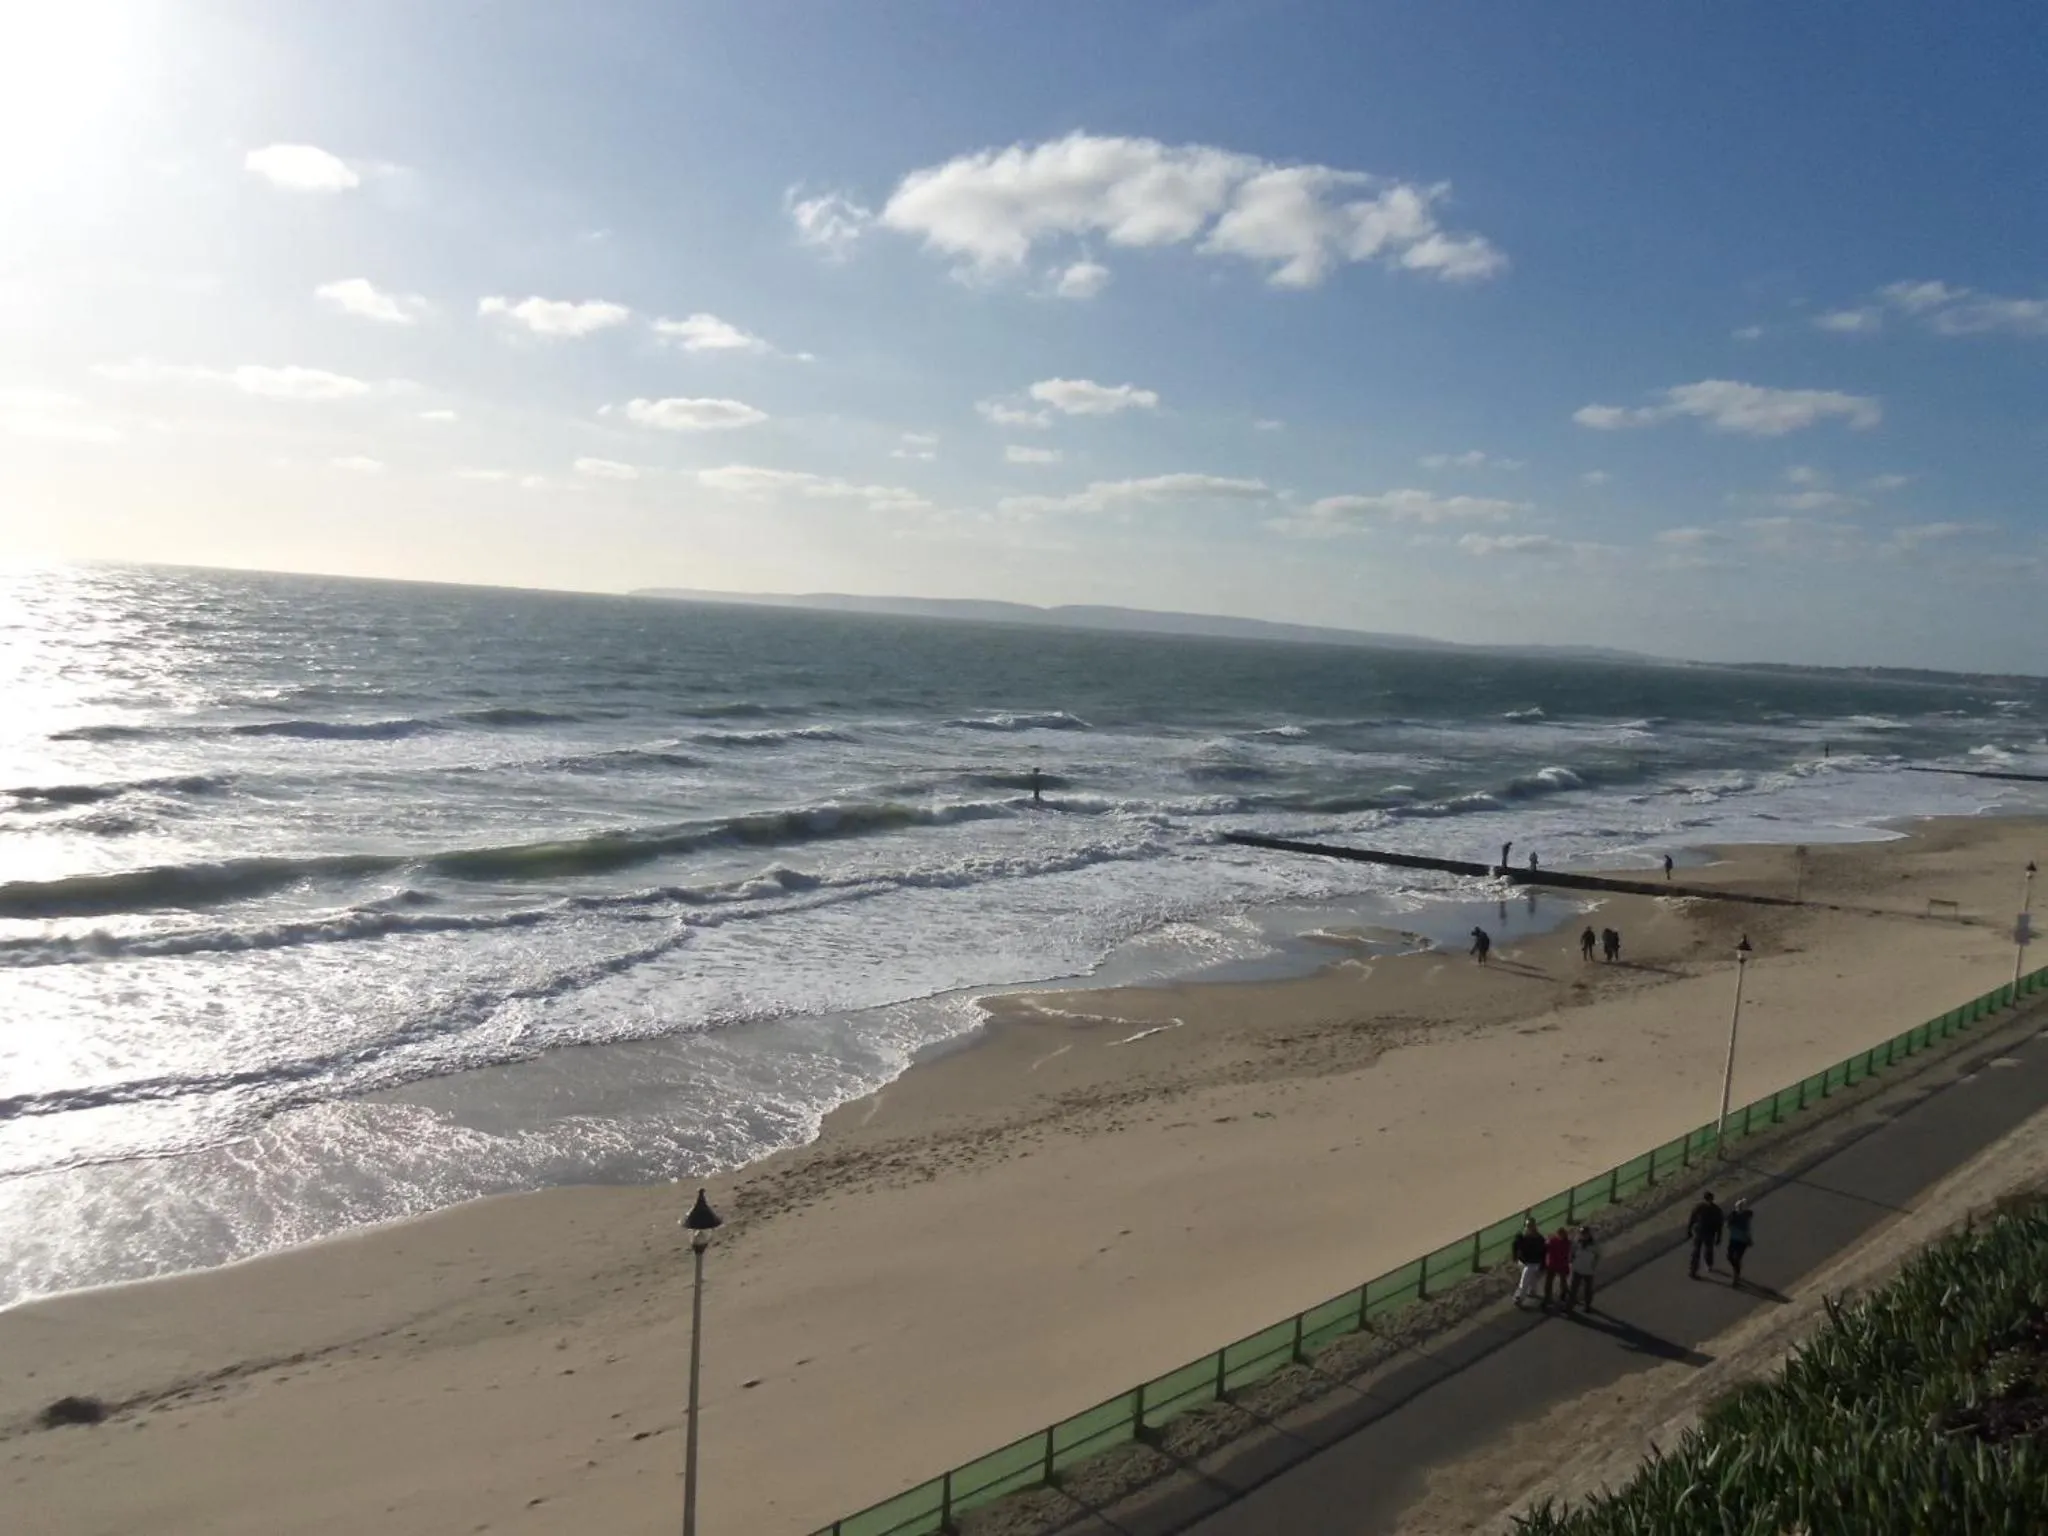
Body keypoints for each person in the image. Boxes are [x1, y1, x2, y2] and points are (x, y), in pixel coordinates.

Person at [1687, 1191, 1725, 1279]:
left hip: (1703, 1232)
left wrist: (1689, 1229)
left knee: (1702, 1251)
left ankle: (1699, 1268)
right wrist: (1719, 1236)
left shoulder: (1700, 1207)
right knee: (1701, 1251)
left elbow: (1692, 1219)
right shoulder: (1715, 1209)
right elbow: (1719, 1224)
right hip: (1705, 1232)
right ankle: (1703, 1266)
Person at [1511, 1217, 1546, 1306]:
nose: (1528, 1228)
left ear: (1534, 1226)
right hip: (1524, 1262)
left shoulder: (1539, 1239)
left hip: (1533, 1263)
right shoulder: (1522, 1237)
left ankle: (1519, 1297)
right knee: (1532, 1279)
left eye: (1530, 1226)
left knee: (1524, 1280)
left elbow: (1543, 1252)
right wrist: (1515, 1256)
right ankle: (1532, 1291)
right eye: (1527, 1226)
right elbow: (1515, 1246)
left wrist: (1543, 1265)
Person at [1566, 1225, 1600, 1311]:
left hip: (1588, 1270)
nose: (1583, 1235)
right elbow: (1571, 1253)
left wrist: (1594, 1265)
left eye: (1585, 1233)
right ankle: (1570, 1305)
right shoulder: (1577, 1243)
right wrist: (1571, 1262)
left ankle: (1587, 1305)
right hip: (1577, 1269)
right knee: (1573, 1288)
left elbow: (1598, 1255)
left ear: (1588, 1234)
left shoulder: (1594, 1244)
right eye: (1582, 1233)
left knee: (1588, 1289)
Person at [1726, 1198, 1755, 1284]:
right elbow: (1728, 1224)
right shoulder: (1733, 1215)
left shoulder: (1745, 1215)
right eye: (1738, 1207)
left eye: (1740, 1207)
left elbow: (1747, 1228)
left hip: (1742, 1240)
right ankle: (1736, 1271)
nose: (1738, 1209)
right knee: (1729, 1256)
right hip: (1734, 1239)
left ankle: (1736, 1276)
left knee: (1737, 1258)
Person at [1543, 1226, 1573, 1307]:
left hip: (1561, 1264)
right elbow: (1546, 1247)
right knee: (1549, 1281)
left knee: (1562, 1282)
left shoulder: (1566, 1243)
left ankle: (1563, 1295)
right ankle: (1548, 1296)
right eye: (1559, 1234)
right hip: (1554, 1264)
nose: (1560, 1236)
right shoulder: (1554, 1241)